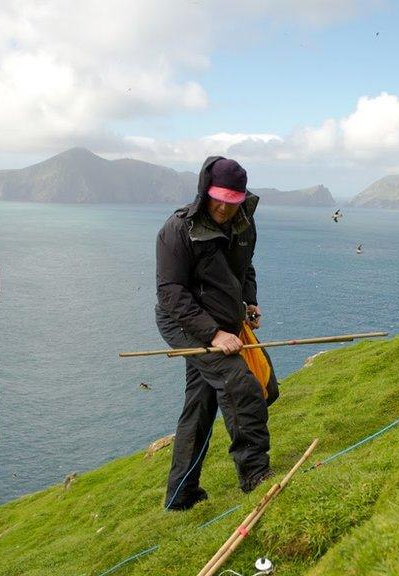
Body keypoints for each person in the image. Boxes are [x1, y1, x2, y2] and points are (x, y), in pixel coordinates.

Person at [155, 156, 280, 510]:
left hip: (226, 321)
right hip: (183, 323)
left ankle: (182, 496)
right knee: (241, 385)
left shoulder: (243, 224)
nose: (224, 207)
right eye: (219, 198)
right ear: (205, 190)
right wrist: (213, 335)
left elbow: (243, 269)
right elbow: (170, 293)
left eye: (233, 199)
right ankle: (255, 475)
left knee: (202, 403)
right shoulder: (177, 230)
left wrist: (249, 302)